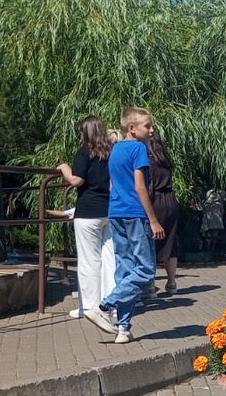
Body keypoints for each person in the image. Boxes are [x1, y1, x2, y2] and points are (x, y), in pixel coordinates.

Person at [91, 107, 165, 344]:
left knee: (125, 270)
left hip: (116, 213)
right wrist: (153, 220)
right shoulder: (138, 148)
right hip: (135, 214)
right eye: (147, 125)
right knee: (145, 270)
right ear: (132, 128)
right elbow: (140, 187)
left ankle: (123, 328)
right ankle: (105, 305)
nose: (151, 130)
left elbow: (112, 184)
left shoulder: (115, 150)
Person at [56, 116, 116, 319]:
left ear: (85, 132)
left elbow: (76, 180)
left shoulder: (84, 152)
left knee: (89, 261)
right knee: (109, 259)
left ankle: (90, 308)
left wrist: (64, 167)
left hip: (88, 211)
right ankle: (111, 304)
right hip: (108, 210)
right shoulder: (111, 152)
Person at [147, 133, 180, 294]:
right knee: (170, 241)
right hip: (170, 199)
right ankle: (172, 283)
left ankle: (151, 286)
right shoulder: (165, 160)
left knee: (150, 243)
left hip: (155, 201)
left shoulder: (148, 161)